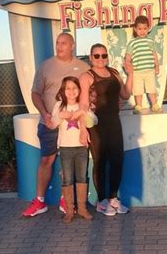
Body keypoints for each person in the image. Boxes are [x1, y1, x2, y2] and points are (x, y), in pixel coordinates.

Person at [22, 33, 89, 217]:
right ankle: (40, 201)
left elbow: (88, 97)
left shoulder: (83, 68)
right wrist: (45, 114)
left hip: (72, 126)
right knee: (46, 161)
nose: (59, 46)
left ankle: (65, 200)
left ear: (72, 45)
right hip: (50, 124)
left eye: (64, 43)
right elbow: (35, 94)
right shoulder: (46, 66)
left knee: (68, 163)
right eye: (57, 43)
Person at [79, 43, 133, 217]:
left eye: (103, 55)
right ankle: (101, 201)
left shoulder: (115, 73)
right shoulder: (86, 76)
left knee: (117, 160)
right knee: (100, 162)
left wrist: (130, 73)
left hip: (114, 122)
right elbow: (83, 105)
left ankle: (113, 198)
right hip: (96, 125)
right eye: (96, 56)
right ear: (90, 58)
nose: (100, 59)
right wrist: (82, 130)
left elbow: (125, 95)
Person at [51, 76, 96, 223]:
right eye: (68, 88)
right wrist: (60, 116)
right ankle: (70, 210)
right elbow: (52, 123)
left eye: (74, 88)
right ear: (63, 91)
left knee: (81, 177)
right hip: (65, 148)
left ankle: (82, 208)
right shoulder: (59, 105)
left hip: (81, 147)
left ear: (79, 89)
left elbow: (93, 122)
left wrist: (84, 113)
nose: (71, 91)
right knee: (68, 178)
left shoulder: (83, 105)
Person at [125, 14, 161, 114]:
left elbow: (154, 55)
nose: (142, 31)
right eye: (140, 29)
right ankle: (138, 106)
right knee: (138, 90)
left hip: (149, 70)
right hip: (137, 71)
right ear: (135, 29)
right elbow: (128, 55)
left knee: (151, 88)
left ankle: (154, 105)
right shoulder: (132, 43)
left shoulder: (151, 41)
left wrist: (156, 66)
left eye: (145, 28)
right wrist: (127, 63)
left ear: (148, 29)